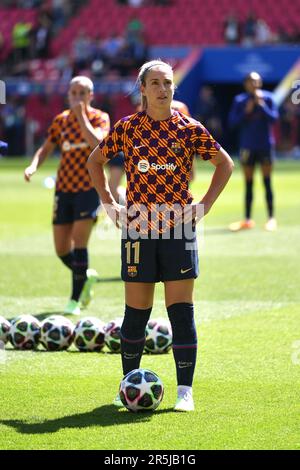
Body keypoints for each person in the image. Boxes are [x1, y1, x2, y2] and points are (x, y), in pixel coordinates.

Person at [87, 60, 234, 412]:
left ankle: (185, 392)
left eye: (167, 82)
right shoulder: (127, 128)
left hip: (178, 225)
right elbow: (95, 161)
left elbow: (225, 164)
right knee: (135, 313)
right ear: (143, 88)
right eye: (155, 83)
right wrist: (108, 203)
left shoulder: (189, 128)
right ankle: (128, 385)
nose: (162, 89)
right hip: (137, 223)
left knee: (181, 312)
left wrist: (204, 205)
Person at [24, 76, 110, 315]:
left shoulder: (100, 118)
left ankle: (74, 300)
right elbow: (46, 148)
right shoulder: (60, 120)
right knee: (61, 248)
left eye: (82, 93)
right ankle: (86, 276)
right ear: (68, 95)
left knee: (79, 243)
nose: (77, 97)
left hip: (89, 189)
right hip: (64, 188)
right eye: (74, 93)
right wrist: (33, 166)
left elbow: (98, 146)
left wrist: (82, 116)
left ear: (91, 96)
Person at [228, 71, 279, 232]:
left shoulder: (268, 98)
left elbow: (274, 119)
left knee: (267, 182)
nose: (254, 84)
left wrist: (262, 106)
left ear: (261, 83)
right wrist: (247, 111)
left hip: (265, 146)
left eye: (257, 81)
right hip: (247, 147)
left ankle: (271, 218)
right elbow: (232, 123)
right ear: (245, 84)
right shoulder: (240, 101)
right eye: (251, 81)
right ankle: (248, 219)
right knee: (248, 184)